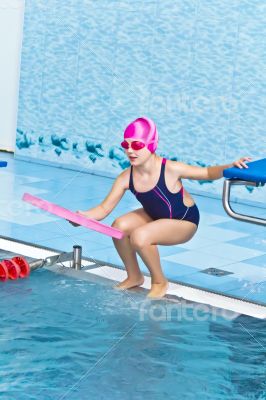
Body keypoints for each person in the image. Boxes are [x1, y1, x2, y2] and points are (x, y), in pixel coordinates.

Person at [72, 117, 251, 299]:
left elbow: (206, 173)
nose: (130, 150)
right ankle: (134, 276)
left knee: (140, 236)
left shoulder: (170, 169)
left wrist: (230, 166)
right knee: (118, 227)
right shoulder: (126, 177)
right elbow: (103, 209)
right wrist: (83, 217)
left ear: (151, 145)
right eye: (126, 145)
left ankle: (159, 281)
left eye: (137, 145)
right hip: (155, 216)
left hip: (183, 221)